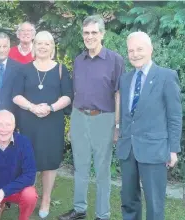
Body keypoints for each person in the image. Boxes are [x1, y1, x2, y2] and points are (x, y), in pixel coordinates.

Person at [58, 15, 124, 220]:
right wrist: (73, 124)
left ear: (102, 34)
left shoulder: (115, 60)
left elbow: (118, 94)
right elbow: (78, 94)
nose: (90, 36)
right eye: (86, 33)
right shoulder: (79, 60)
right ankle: (79, 210)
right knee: (80, 167)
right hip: (80, 117)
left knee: (103, 170)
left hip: (104, 118)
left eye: (94, 32)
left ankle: (102, 215)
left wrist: (117, 125)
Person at [117, 31, 182, 220]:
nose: (135, 54)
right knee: (128, 200)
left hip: (154, 149)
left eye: (139, 49)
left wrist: (173, 150)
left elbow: (174, 116)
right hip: (128, 148)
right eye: (131, 50)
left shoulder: (166, 77)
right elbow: (126, 114)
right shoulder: (125, 79)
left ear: (150, 49)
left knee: (154, 203)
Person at [13, 31, 73, 219]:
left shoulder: (61, 69)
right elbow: (16, 95)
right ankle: (28, 197)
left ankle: (46, 199)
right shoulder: (24, 69)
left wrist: (51, 107)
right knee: (27, 162)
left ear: (52, 47)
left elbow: (68, 96)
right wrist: (32, 107)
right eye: (39, 43)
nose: (43, 47)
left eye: (47, 44)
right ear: (34, 45)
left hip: (52, 123)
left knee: (49, 163)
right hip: (29, 123)